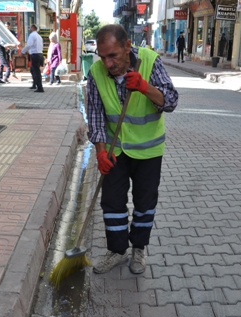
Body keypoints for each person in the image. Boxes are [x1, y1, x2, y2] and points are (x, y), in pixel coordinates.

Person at [87, 24, 178, 274]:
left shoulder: (150, 61)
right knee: (112, 203)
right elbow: (95, 115)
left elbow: (171, 101)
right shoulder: (95, 73)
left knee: (144, 202)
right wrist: (100, 151)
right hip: (115, 151)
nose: (107, 63)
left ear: (127, 46)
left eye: (113, 55)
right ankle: (117, 251)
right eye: (102, 56)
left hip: (148, 151)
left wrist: (145, 87)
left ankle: (138, 248)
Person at [21, 24, 44, 93]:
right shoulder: (39, 36)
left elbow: (29, 45)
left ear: (33, 28)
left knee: (36, 71)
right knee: (32, 70)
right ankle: (34, 84)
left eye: (30, 28)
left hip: (35, 55)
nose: (29, 29)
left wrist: (23, 52)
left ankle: (40, 87)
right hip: (39, 54)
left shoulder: (32, 35)